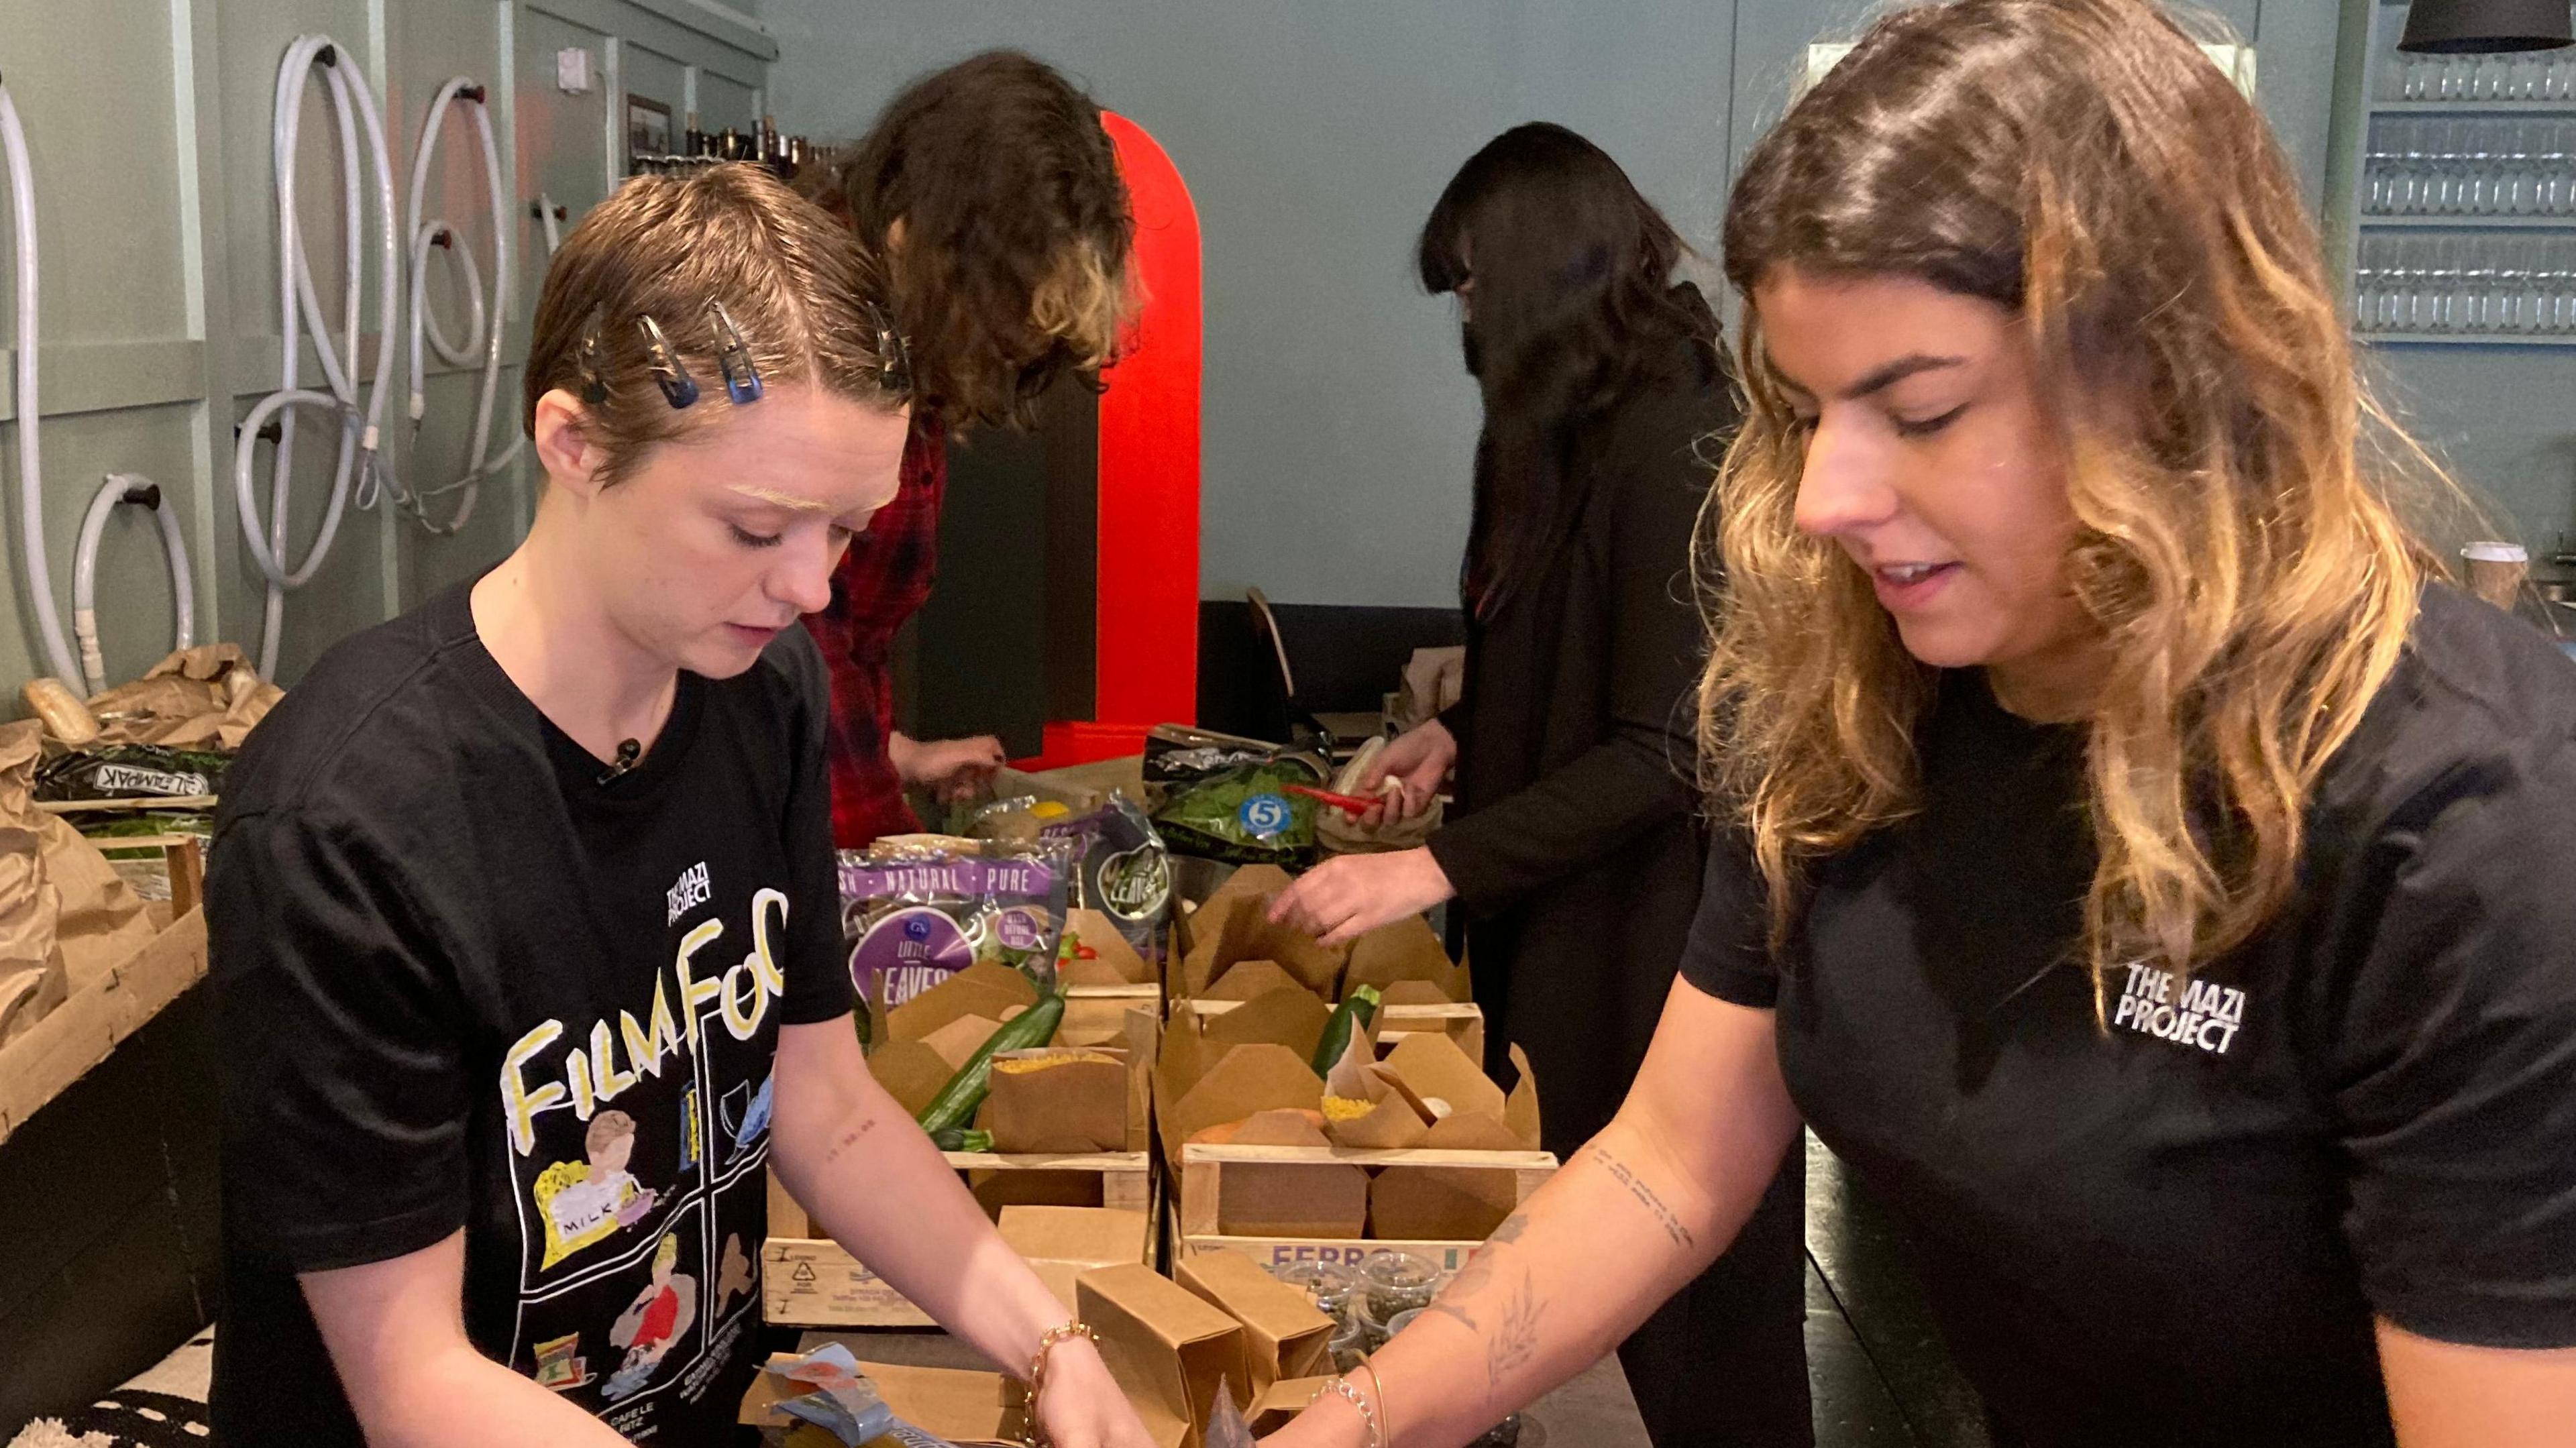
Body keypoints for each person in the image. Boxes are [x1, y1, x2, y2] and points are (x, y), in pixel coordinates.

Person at [1263, 2, 2576, 1445]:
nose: (1827, 496)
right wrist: (1344, 1422)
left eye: (1925, 407)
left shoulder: (2469, 820)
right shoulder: (1850, 707)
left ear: (2175, 378)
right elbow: (1667, 1169)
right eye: (1811, 409)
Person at [206, 164, 1154, 1448]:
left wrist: (1052, 1344)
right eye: (758, 524)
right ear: (576, 443)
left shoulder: (761, 694)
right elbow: (415, 1381)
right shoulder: (344, 825)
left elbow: (830, 1106)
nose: (812, 586)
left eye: (845, 528)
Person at [1267, 124, 1809, 1447]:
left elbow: (1668, 745)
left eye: (1472, 285)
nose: (1463, 316)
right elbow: (1559, 659)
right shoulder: (1553, 423)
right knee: (1550, 1264)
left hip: (1647, 941)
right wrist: (1456, 739)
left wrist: (1430, 865)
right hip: (1553, 911)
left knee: (1669, 1304)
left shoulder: (1679, 429)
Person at [802, 50, 1134, 846]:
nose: (1015, 345)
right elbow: (791, 658)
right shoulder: (812, 355)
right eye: (1008, 305)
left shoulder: (903, 355)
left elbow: (844, 643)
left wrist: (901, 756)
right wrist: (893, 860)